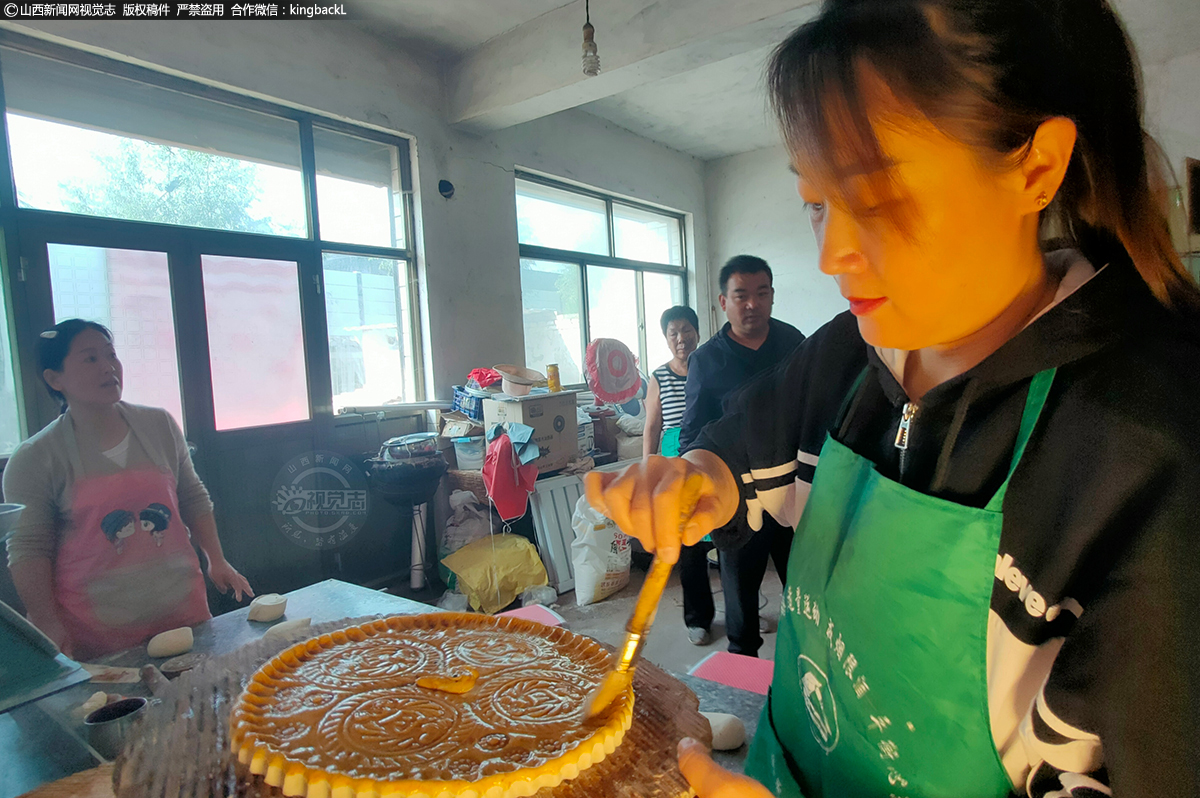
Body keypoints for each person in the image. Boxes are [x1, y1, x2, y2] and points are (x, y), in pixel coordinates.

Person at [585, 1, 1200, 796]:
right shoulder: (850, 351)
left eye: (875, 199)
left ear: (1035, 168)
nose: (833, 252)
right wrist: (689, 478)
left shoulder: (1153, 448)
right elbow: (740, 454)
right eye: (815, 201)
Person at [4, 319, 253, 660]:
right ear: (54, 378)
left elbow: (192, 495)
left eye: (111, 355)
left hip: (182, 611)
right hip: (98, 629)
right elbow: (29, 549)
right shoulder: (36, 458)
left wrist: (218, 560)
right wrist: (46, 621)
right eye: (90, 359)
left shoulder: (158, 425)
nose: (108, 367)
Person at [679, 255, 805, 656]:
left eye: (762, 293)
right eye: (741, 295)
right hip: (737, 499)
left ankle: (809, 666)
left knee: (805, 589)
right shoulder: (706, 360)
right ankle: (741, 667)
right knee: (740, 600)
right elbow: (693, 431)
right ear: (723, 302)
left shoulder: (794, 344)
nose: (752, 303)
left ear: (771, 296)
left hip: (793, 493)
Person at [642, 305, 713, 645]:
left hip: (714, 460)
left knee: (732, 540)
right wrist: (647, 469)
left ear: (697, 332)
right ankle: (698, 618)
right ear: (667, 339)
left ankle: (745, 612)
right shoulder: (659, 377)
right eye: (673, 333)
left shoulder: (714, 366)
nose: (681, 338)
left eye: (686, 330)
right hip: (675, 468)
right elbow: (652, 426)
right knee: (691, 543)